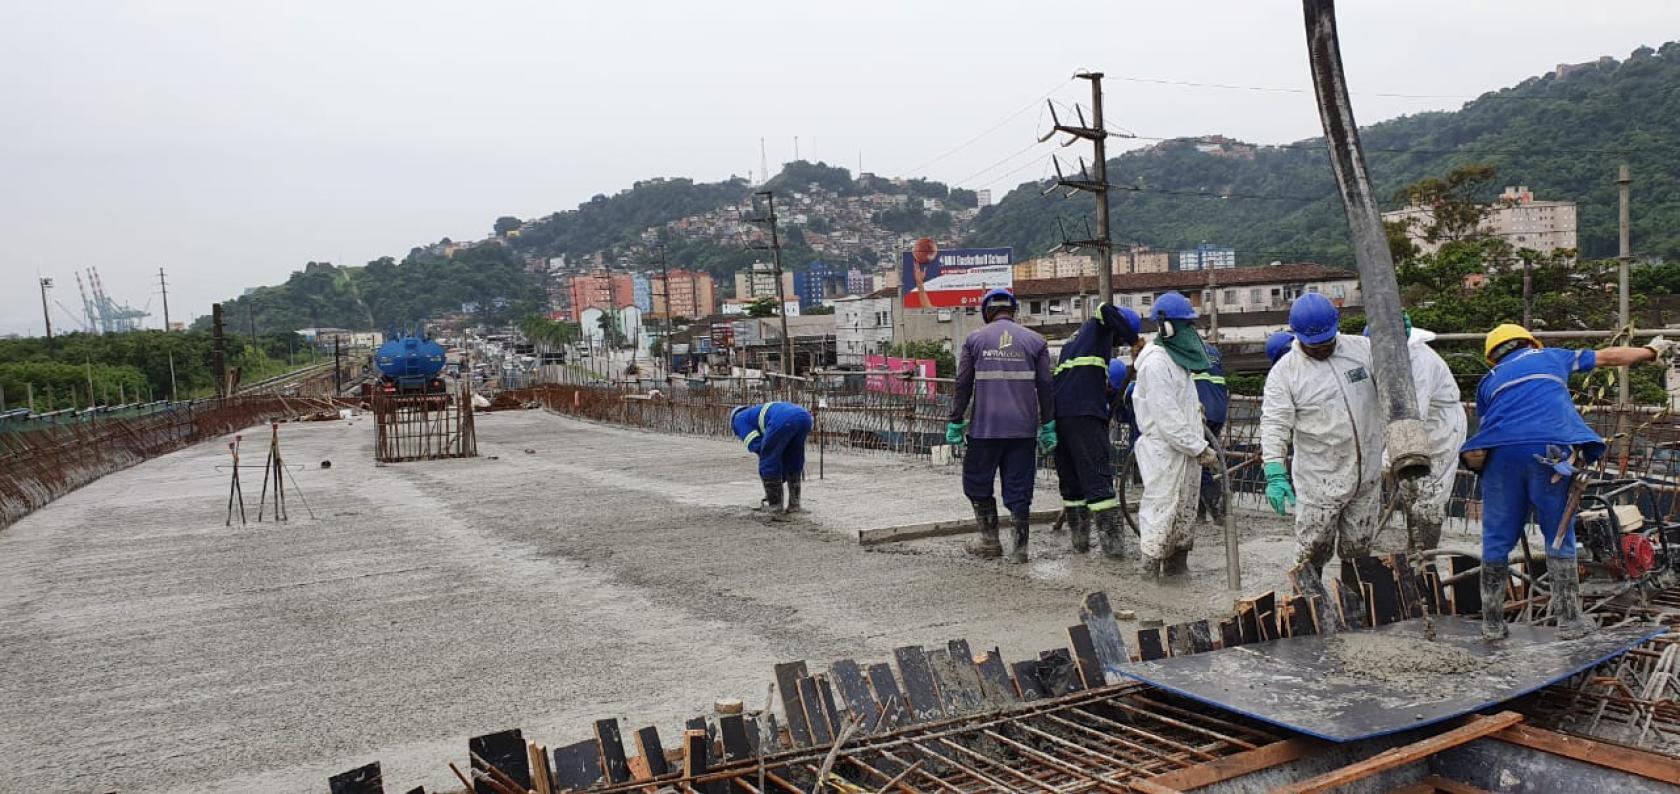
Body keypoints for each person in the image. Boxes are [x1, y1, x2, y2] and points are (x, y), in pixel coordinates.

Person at [1459, 324, 1672, 639]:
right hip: (1548, 451)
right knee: (1558, 534)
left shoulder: (1489, 380)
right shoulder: (1550, 357)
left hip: (1500, 456)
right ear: (1529, 342)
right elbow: (1608, 356)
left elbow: (1490, 421)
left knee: (1496, 538)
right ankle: (1570, 621)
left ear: (1494, 355)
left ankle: (1491, 624)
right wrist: (1650, 352)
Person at [1260, 293, 1384, 580]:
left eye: (1327, 342)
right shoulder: (1286, 373)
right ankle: (1307, 610)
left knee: (1359, 549)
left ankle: (1357, 607)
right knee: (1312, 550)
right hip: (1320, 479)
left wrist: (1396, 342)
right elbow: (1275, 424)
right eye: (1313, 345)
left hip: (1366, 475)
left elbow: (1397, 377)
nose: (1321, 349)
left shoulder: (1362, 350)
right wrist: (1275, 471)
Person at [947, 288, 1056, 563]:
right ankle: (1020, 550)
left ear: (987, 311)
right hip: (1023, 429)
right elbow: (1045, 386)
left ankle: (989, 540)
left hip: (985, 429)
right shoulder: (1036, 341)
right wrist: (1049, 424)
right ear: (1013, 310)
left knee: (977, 482)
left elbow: (962, 384)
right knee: (1019, 488)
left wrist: (956, 420)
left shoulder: (975, 340)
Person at [1132, 291, 1220, 576]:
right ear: (1166, 327)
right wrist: (1199, 447)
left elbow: (1178, 403)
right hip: (1166, 452)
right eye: (1186, 324)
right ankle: (1148, 575)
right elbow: (1168, 418)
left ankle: (1176, 574)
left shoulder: (1175, 358)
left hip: (1183, 450)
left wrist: (1196, 411)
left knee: (1183, 514)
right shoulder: (1156, 363)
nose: (1190, 331)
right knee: (1162, 511)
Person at [1052, 303, 1142, 555]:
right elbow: (1105, 307)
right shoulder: (1099, 324)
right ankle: (1114, 550)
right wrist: (1135, 341)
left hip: (1061, 416)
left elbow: (1078, 377)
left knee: (1072, 487)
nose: (1116, 345)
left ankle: (1080, 545)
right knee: (1099, 482)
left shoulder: (1075, 342)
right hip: (1085, 415)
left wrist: (1106, 391)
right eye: (1119, 339)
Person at [1385, 317, 1466, 555]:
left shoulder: (1418, 361)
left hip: (1439, 427)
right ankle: (1414, 545)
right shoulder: (1390, 359)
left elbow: (1413, 413)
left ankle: (1425, 554)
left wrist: (1386, 458)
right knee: (1410, 489)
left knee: (1430, 493)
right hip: (1412, 425)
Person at [730, 401, 814, 516]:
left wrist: (770, 476)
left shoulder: (739, 419)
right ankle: (795, 505)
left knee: (768, 461)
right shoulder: (756, 412)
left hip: (783, 420)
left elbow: (757, 445)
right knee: (794, 458)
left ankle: (775, 506)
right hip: (805, 417)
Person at [1194, 340, 1230, 523]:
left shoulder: (1186, 349)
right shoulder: (1213, 352)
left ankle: (1217, 509)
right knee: (1206, 458)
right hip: (1218, 409)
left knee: (1198, 461)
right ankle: (1199, 512)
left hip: (1202, 411)